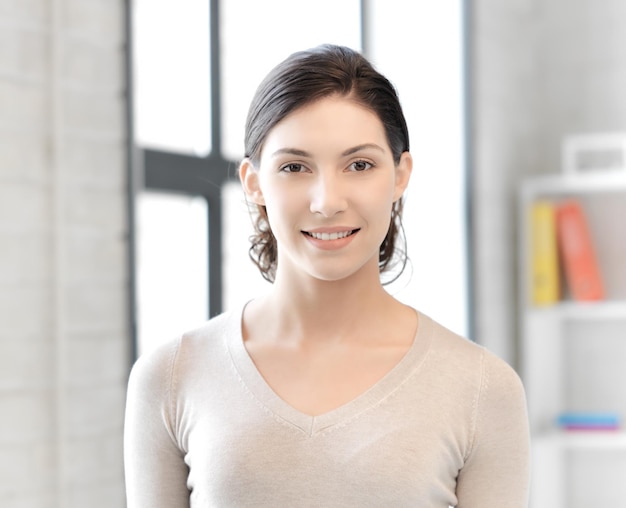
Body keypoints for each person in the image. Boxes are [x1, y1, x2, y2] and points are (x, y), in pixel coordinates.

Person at [124, 44, 530, 507]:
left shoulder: (481, 388)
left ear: (400, 175)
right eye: (294, 167)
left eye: (359, 165)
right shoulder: (171, 376)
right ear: (254, 183)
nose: (326, 201)